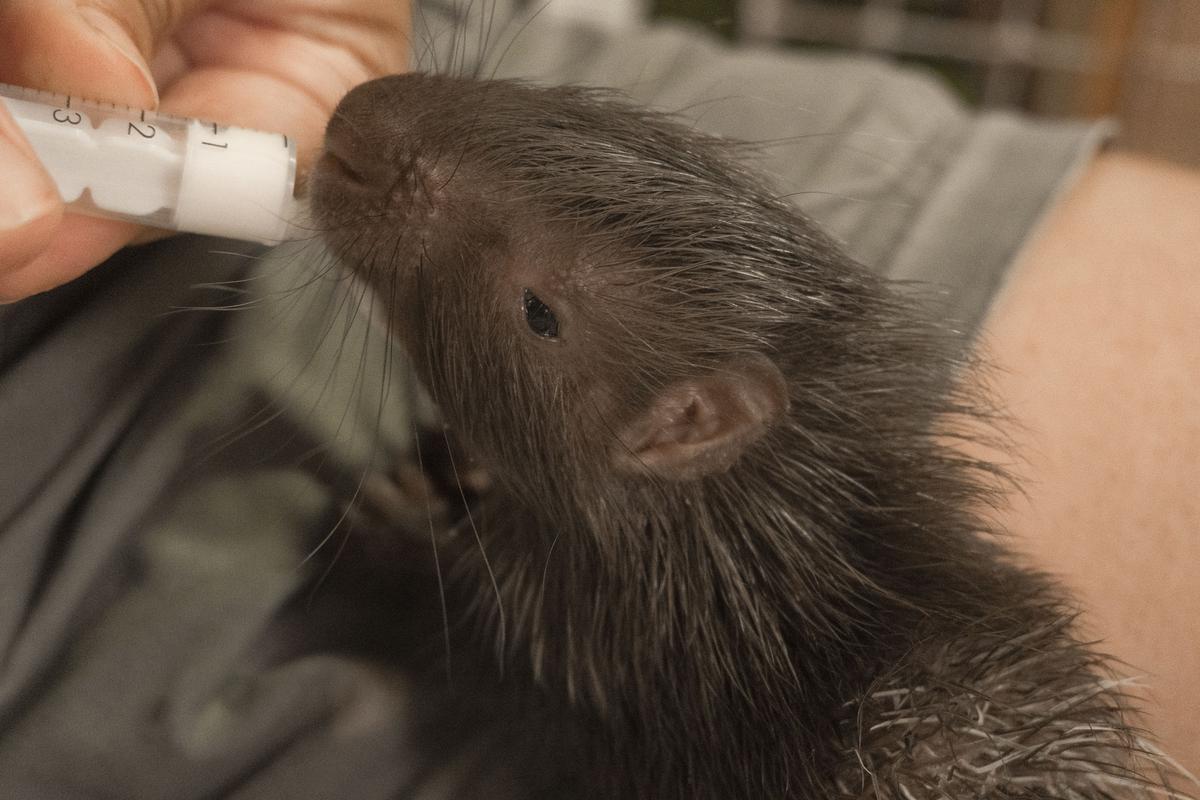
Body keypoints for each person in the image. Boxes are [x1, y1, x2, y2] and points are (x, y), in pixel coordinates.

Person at [1, 0, 1198, 789]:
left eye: (537, 314)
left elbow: (553, 684)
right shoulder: (637, 521)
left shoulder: (660, 644)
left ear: (678, 426)